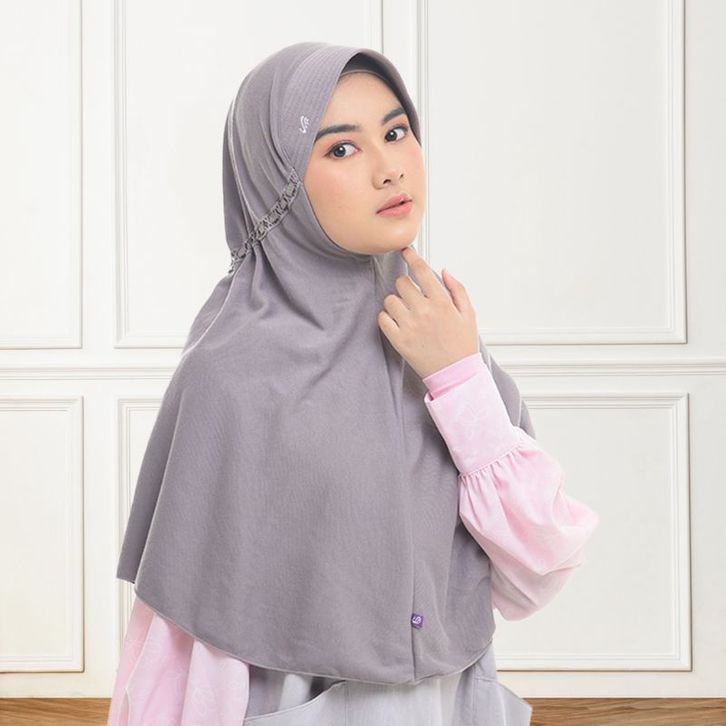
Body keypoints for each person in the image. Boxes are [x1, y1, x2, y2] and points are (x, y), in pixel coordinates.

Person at [106, 42, 599, 725]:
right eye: (341, 148)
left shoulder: (439, 335)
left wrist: (457, 375)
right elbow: (187, 641)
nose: (389, 167)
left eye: (396, 133)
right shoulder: (229, 374)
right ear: (277, 183)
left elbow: (538, 563)